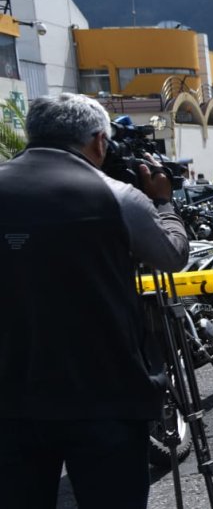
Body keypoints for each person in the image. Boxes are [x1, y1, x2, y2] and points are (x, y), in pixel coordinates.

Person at [0, 93, 190, 508]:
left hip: (11, 394)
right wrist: (163, 202)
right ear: (99, 142)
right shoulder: (118, 196)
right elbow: (171, 255)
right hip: (105, 392)